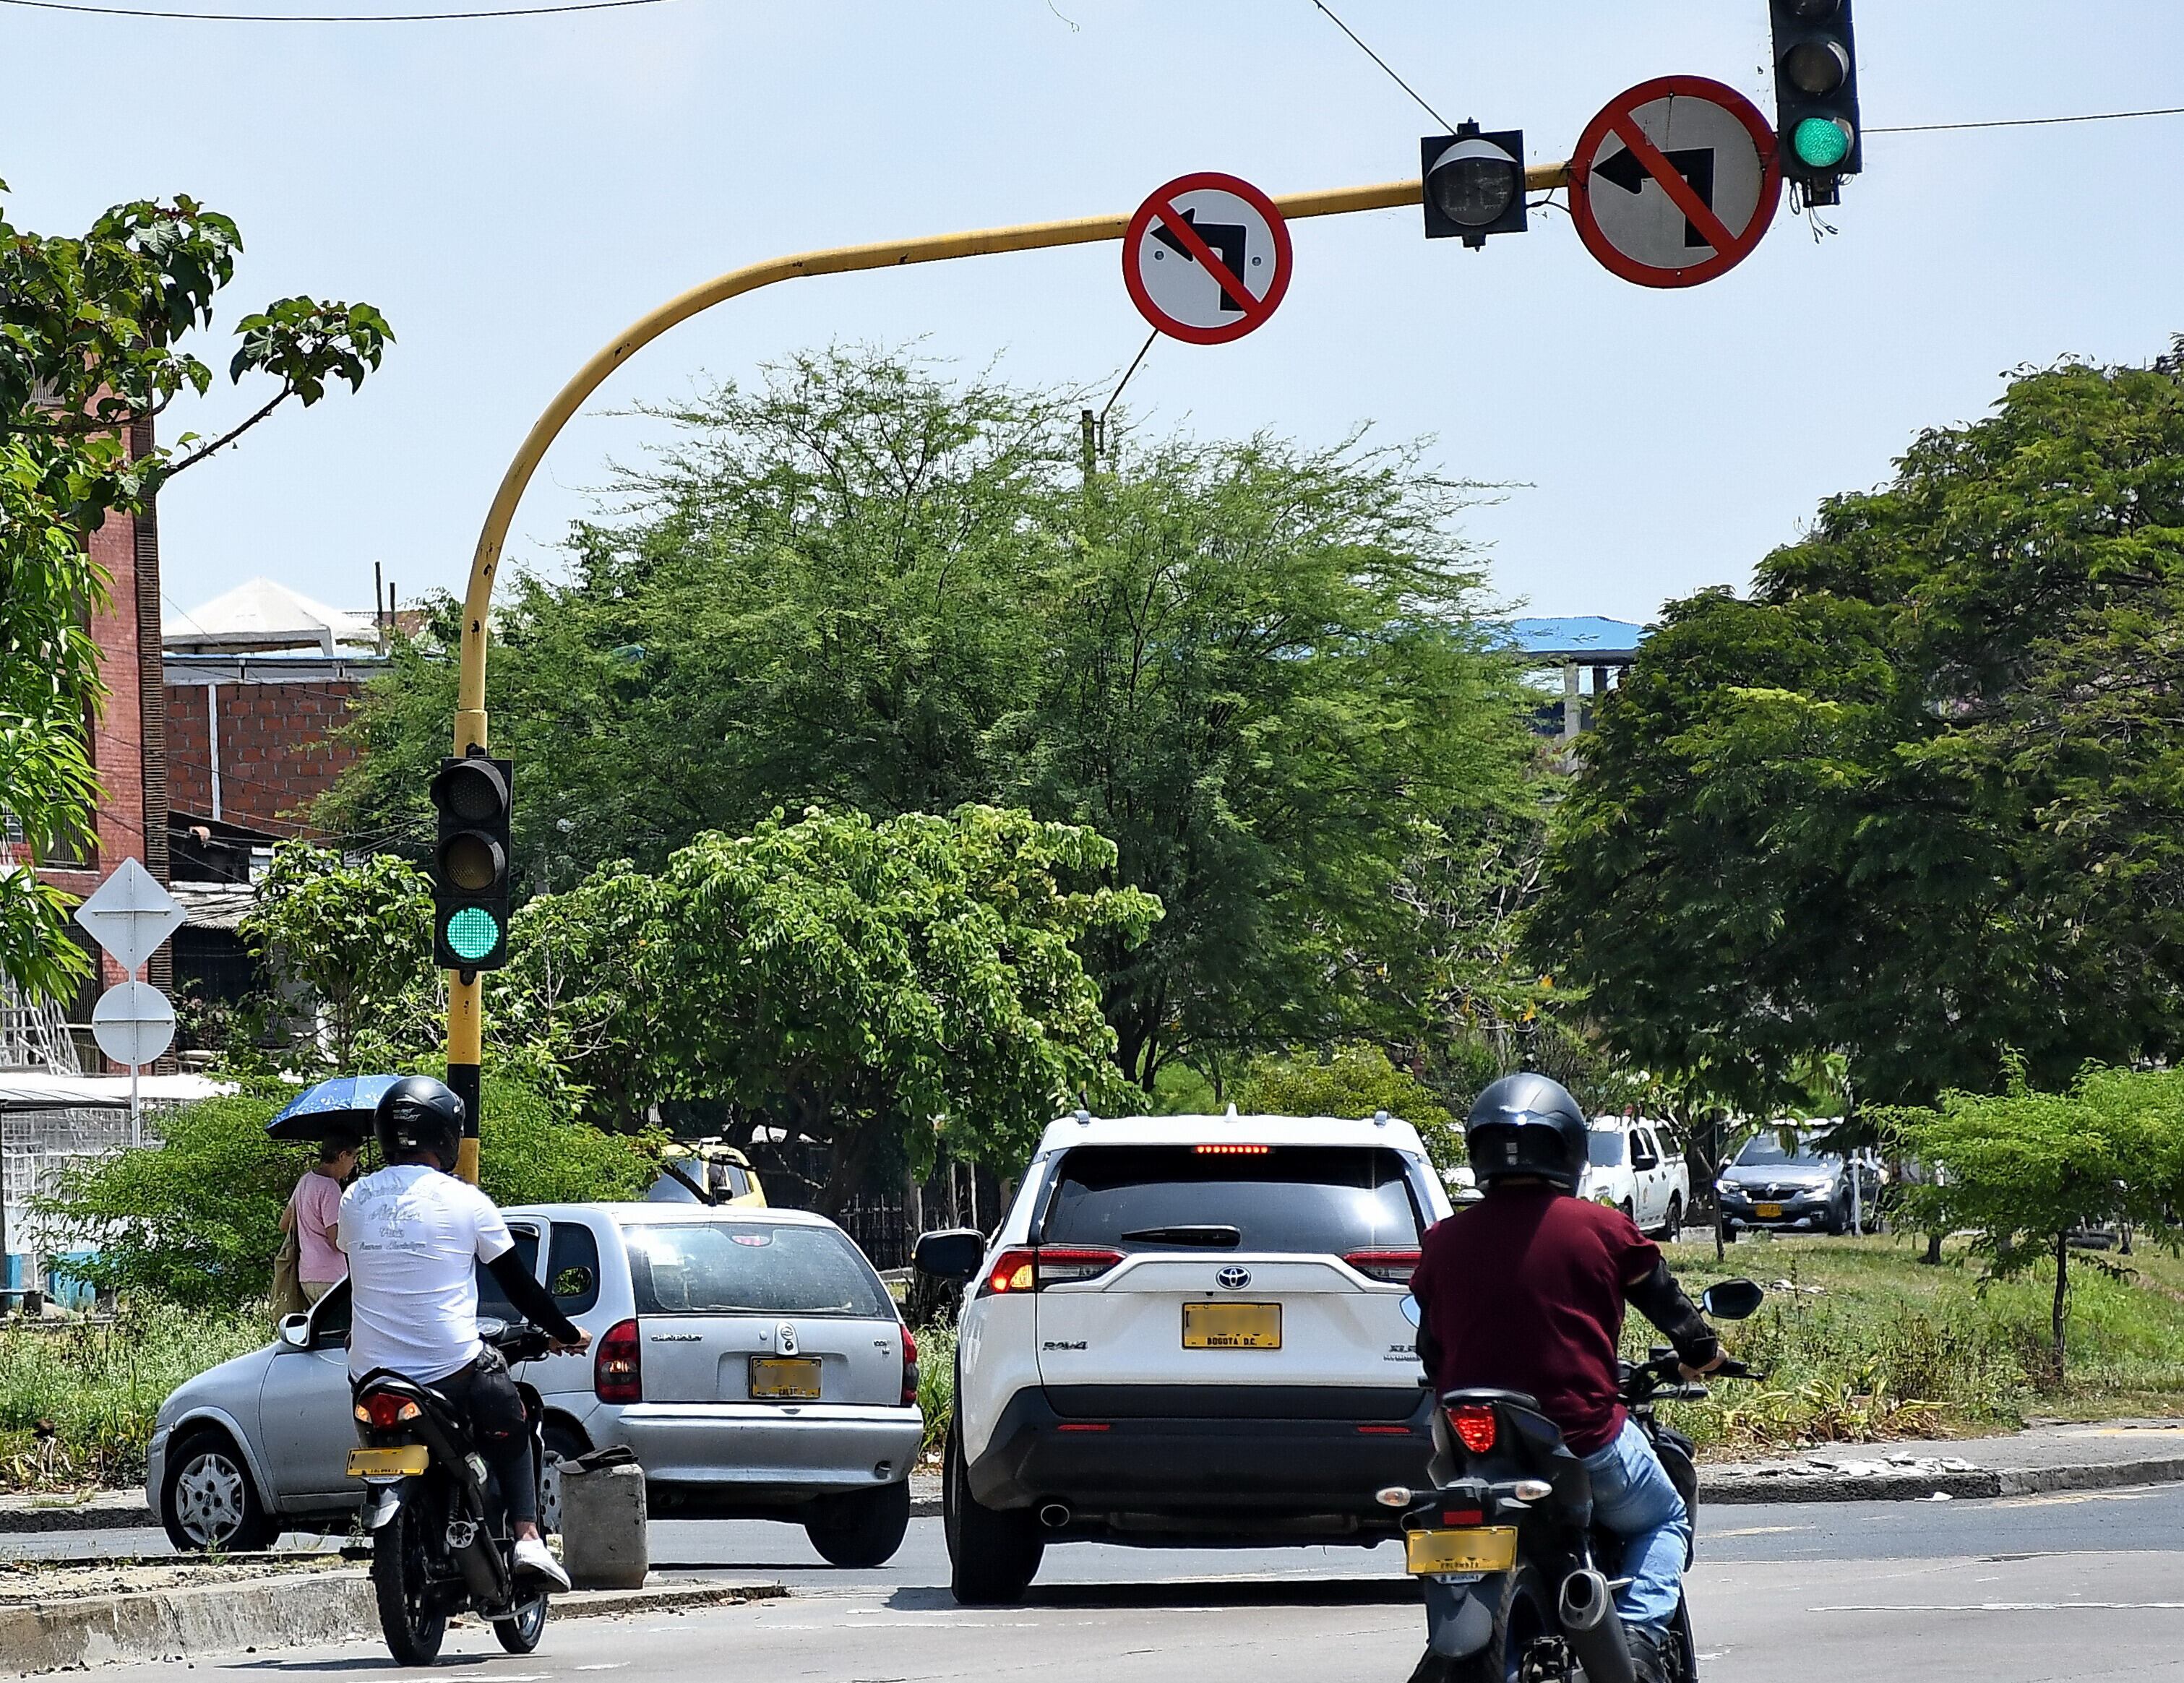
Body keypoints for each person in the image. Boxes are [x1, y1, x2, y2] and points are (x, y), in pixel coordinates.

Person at [1410, 1074, 1724, 1683]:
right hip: (1583, 1437)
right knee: (1664, 1518)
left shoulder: (1444, 1241)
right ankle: (1637, 1635)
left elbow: (1431, 1350)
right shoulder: (1602, 1229)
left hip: (1471, 1447)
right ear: (1570, 1148)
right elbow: (1678, 1315)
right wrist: (1704, 1352)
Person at [338, 1075, 592, 1591]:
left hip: (370, 1378)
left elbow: (368, 1276)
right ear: (446, 1135)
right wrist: (566, 1332)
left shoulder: (353, 1198)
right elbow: (519, 1286)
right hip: (450, 1372)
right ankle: (527, 1536)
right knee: (514, 1409)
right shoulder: (466, 1201)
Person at [280, 1132, 359, 1304]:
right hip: (331, 1276)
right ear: (342, 1156)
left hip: (306, 1274)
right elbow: (336, 1241)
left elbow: (284, 1224)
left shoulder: (305, 1181)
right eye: (354, 1157)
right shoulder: (330, 1188)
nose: (354, 1163)